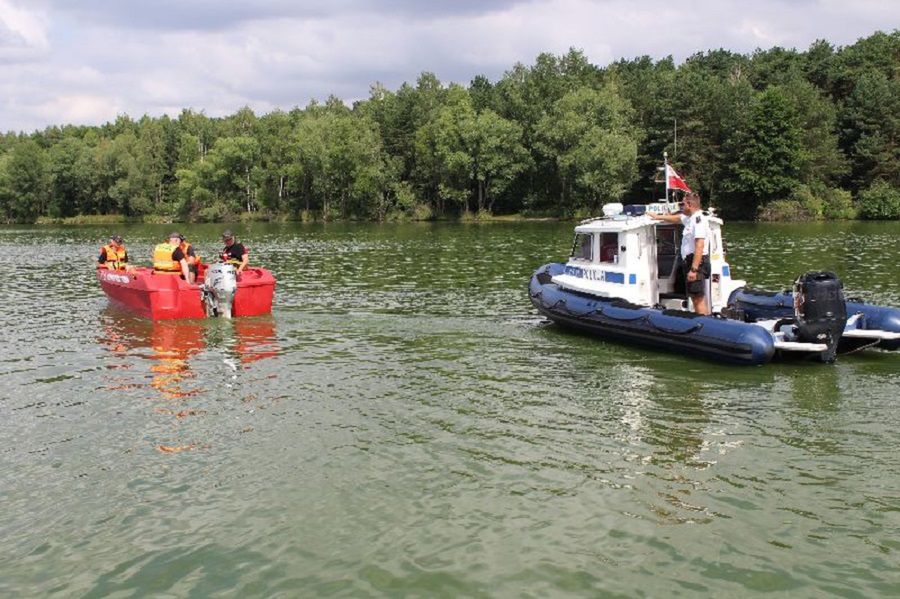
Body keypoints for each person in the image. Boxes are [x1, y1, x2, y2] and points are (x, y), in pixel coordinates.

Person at [649, 192, 711, 315]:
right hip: (690, 261)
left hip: (696, 262)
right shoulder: (690, 218)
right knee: (694, 296)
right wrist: (658, 217)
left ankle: (705, 324)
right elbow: (678, 218)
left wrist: (694, 269)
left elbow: (699, 245)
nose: (681, 207)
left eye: (682, 204)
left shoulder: (698, 221)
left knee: (698, 297)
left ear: (689, 204)